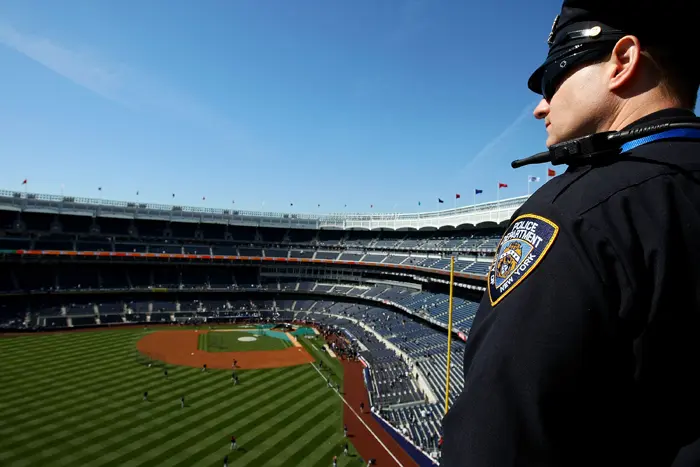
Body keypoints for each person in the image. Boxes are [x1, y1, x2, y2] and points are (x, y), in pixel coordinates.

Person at [441, 1, 700, 466]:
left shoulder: (572, 214)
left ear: (622, 62)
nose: (541, 107)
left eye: (552, 78)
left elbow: (494, 443)